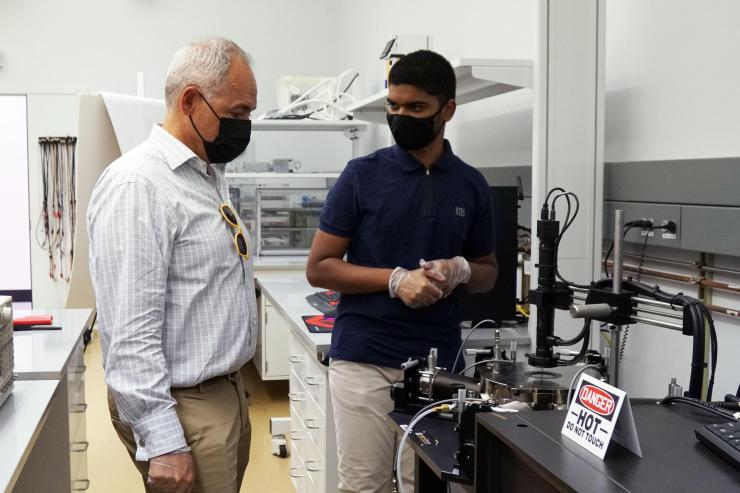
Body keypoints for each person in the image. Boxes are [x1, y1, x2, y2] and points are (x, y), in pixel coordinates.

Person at [306, 50, 498, 493]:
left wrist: (462, 269)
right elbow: (320, 267)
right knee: (365, 485)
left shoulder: (471, 185)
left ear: (447, 109)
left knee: (427, 485)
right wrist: (395, 280)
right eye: (394, 106)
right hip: (364, 359)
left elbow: (489, 271)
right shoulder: (361, 176)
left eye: (416, 108)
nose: (401, 116)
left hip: (440, 364)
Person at [88, 37, 257, 493]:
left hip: (224, 394)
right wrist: (163, 442)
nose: (245, 125)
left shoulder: (204, 176)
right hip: (183, 405)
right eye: (238, 113)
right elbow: (128, 331)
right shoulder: (138, 185)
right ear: (190, 101)